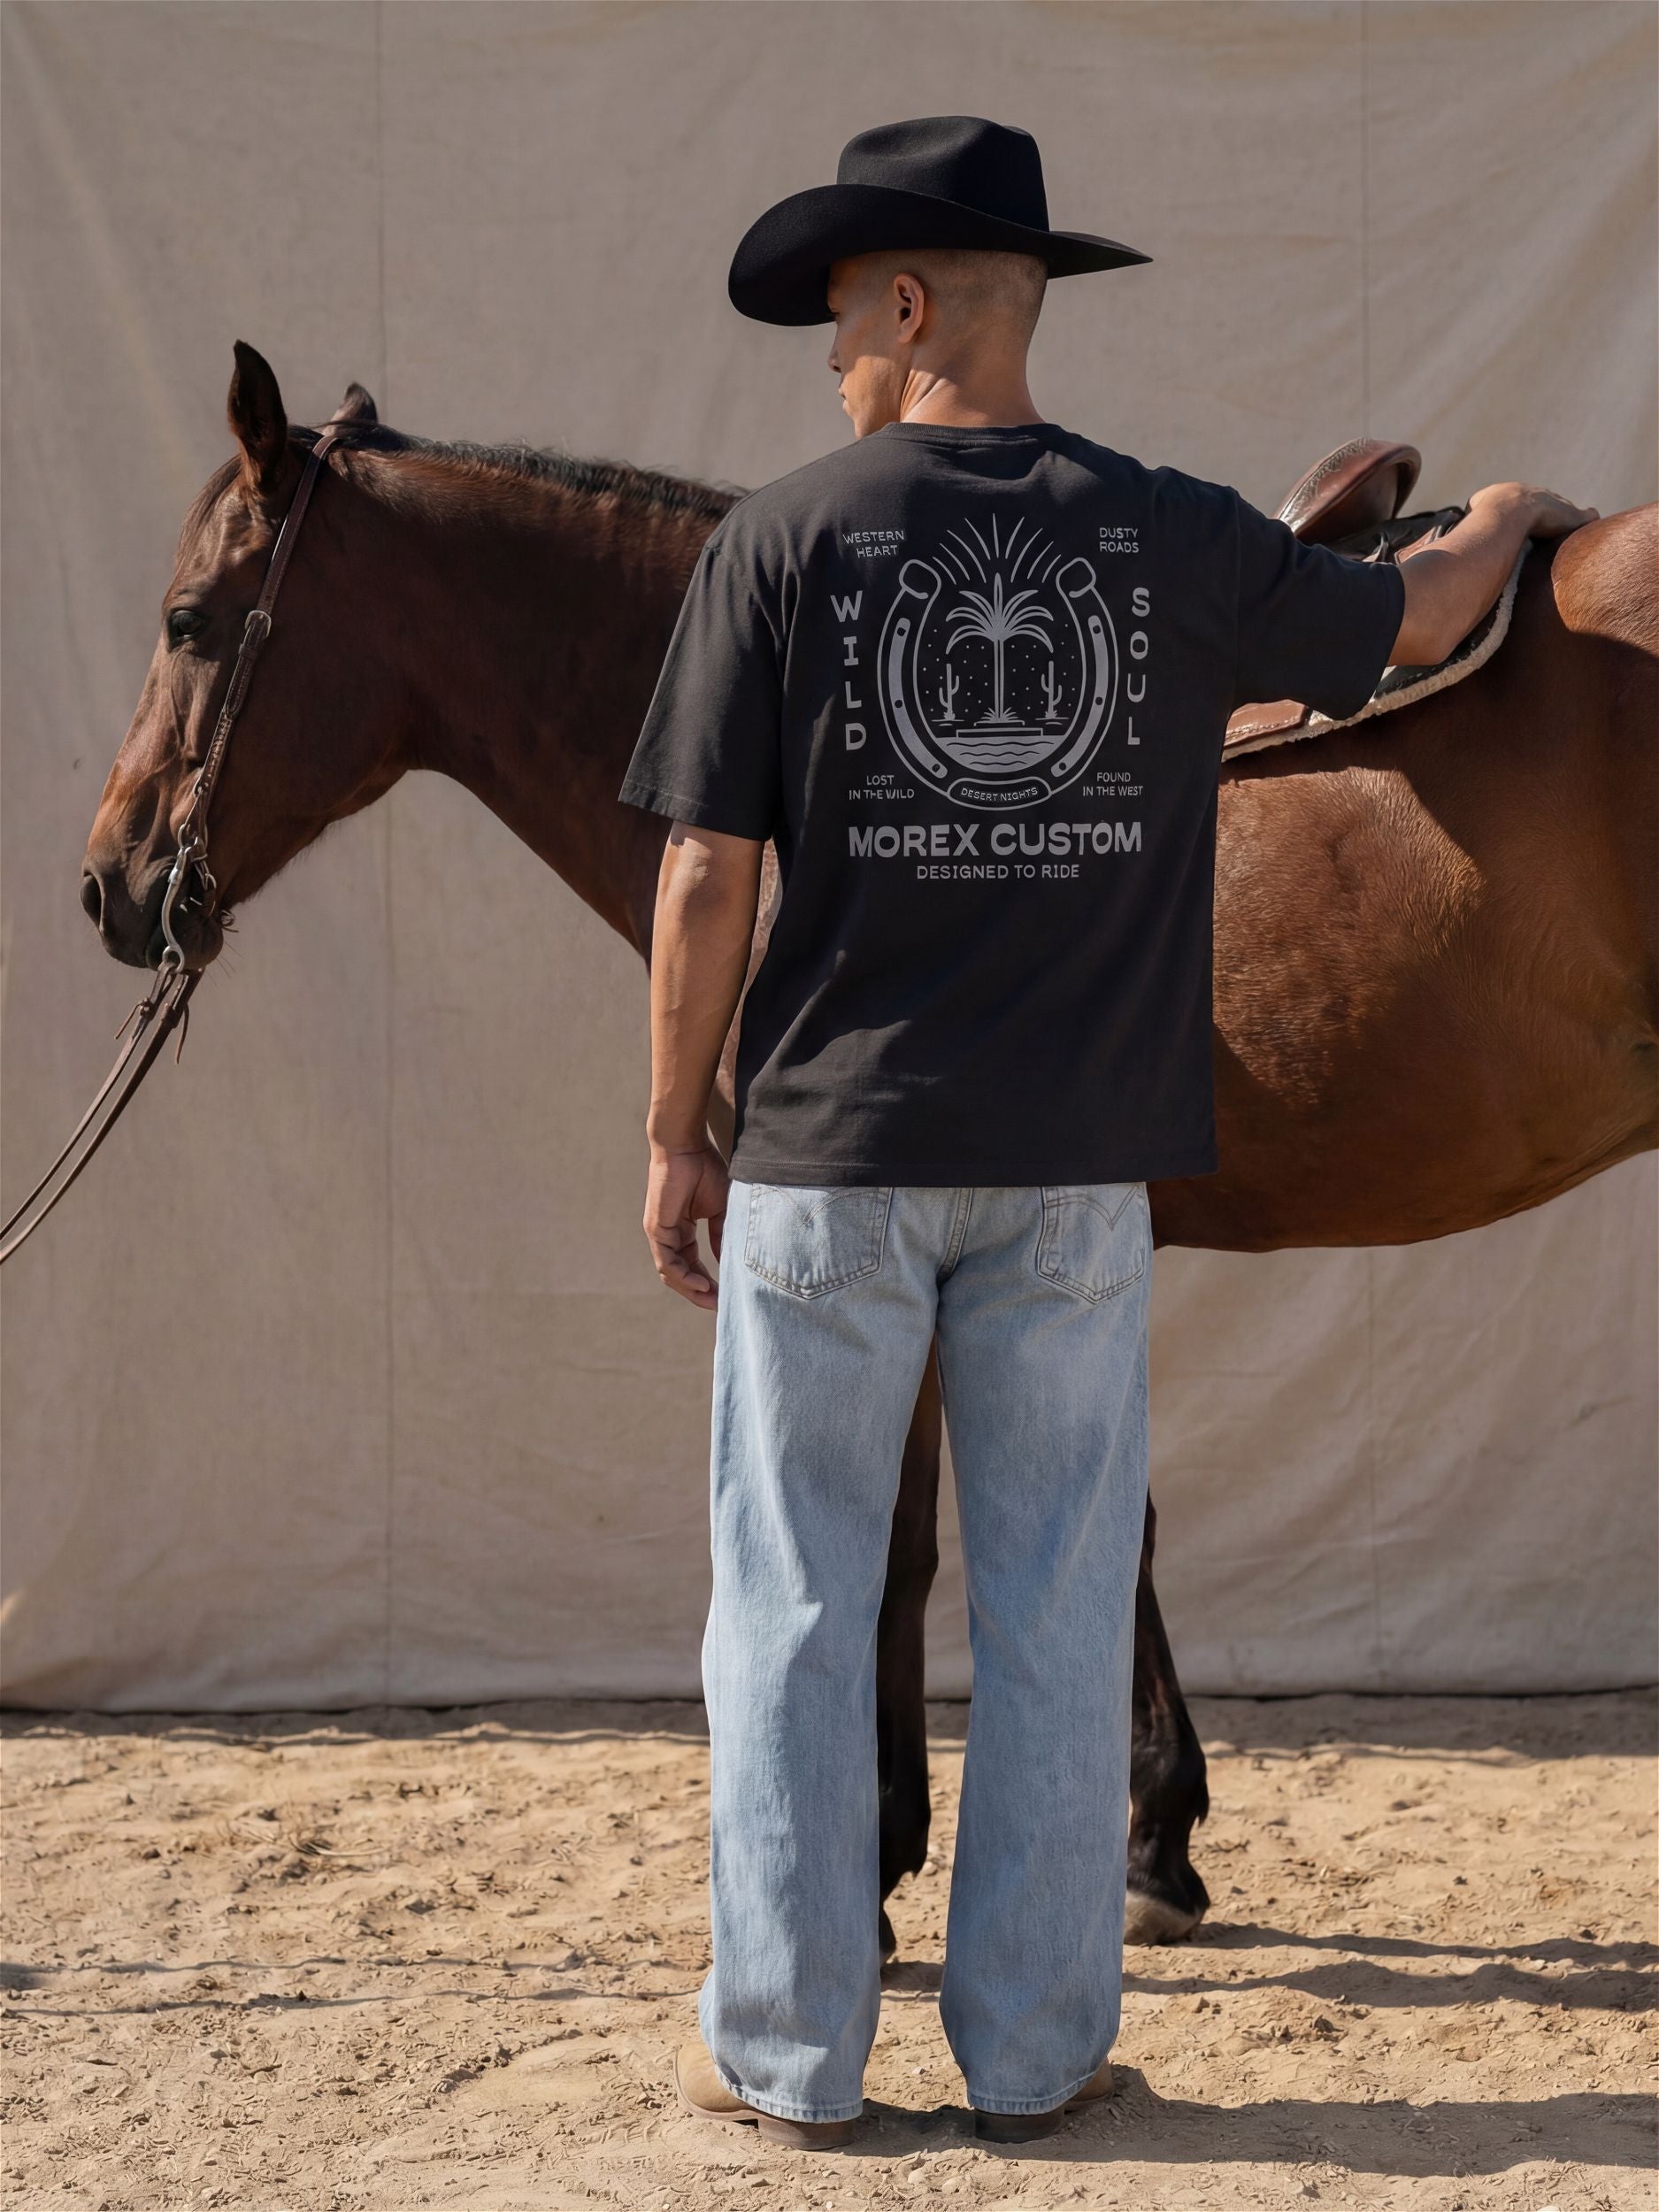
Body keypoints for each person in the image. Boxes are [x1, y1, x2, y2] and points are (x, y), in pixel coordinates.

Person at [616, 115, 1597, 2151]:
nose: (823, 360)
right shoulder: (1155, 532)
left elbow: (706, 872)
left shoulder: (779, 541)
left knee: (792, 1603)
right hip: (1072, 1173)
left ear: (904, 306)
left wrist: (668, 1128)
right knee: (1058, 1610)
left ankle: (789, 2052)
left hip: (831, 1160)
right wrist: (1504, 518)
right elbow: (1405, 622)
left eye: (831, 320)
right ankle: (1041, 2054)